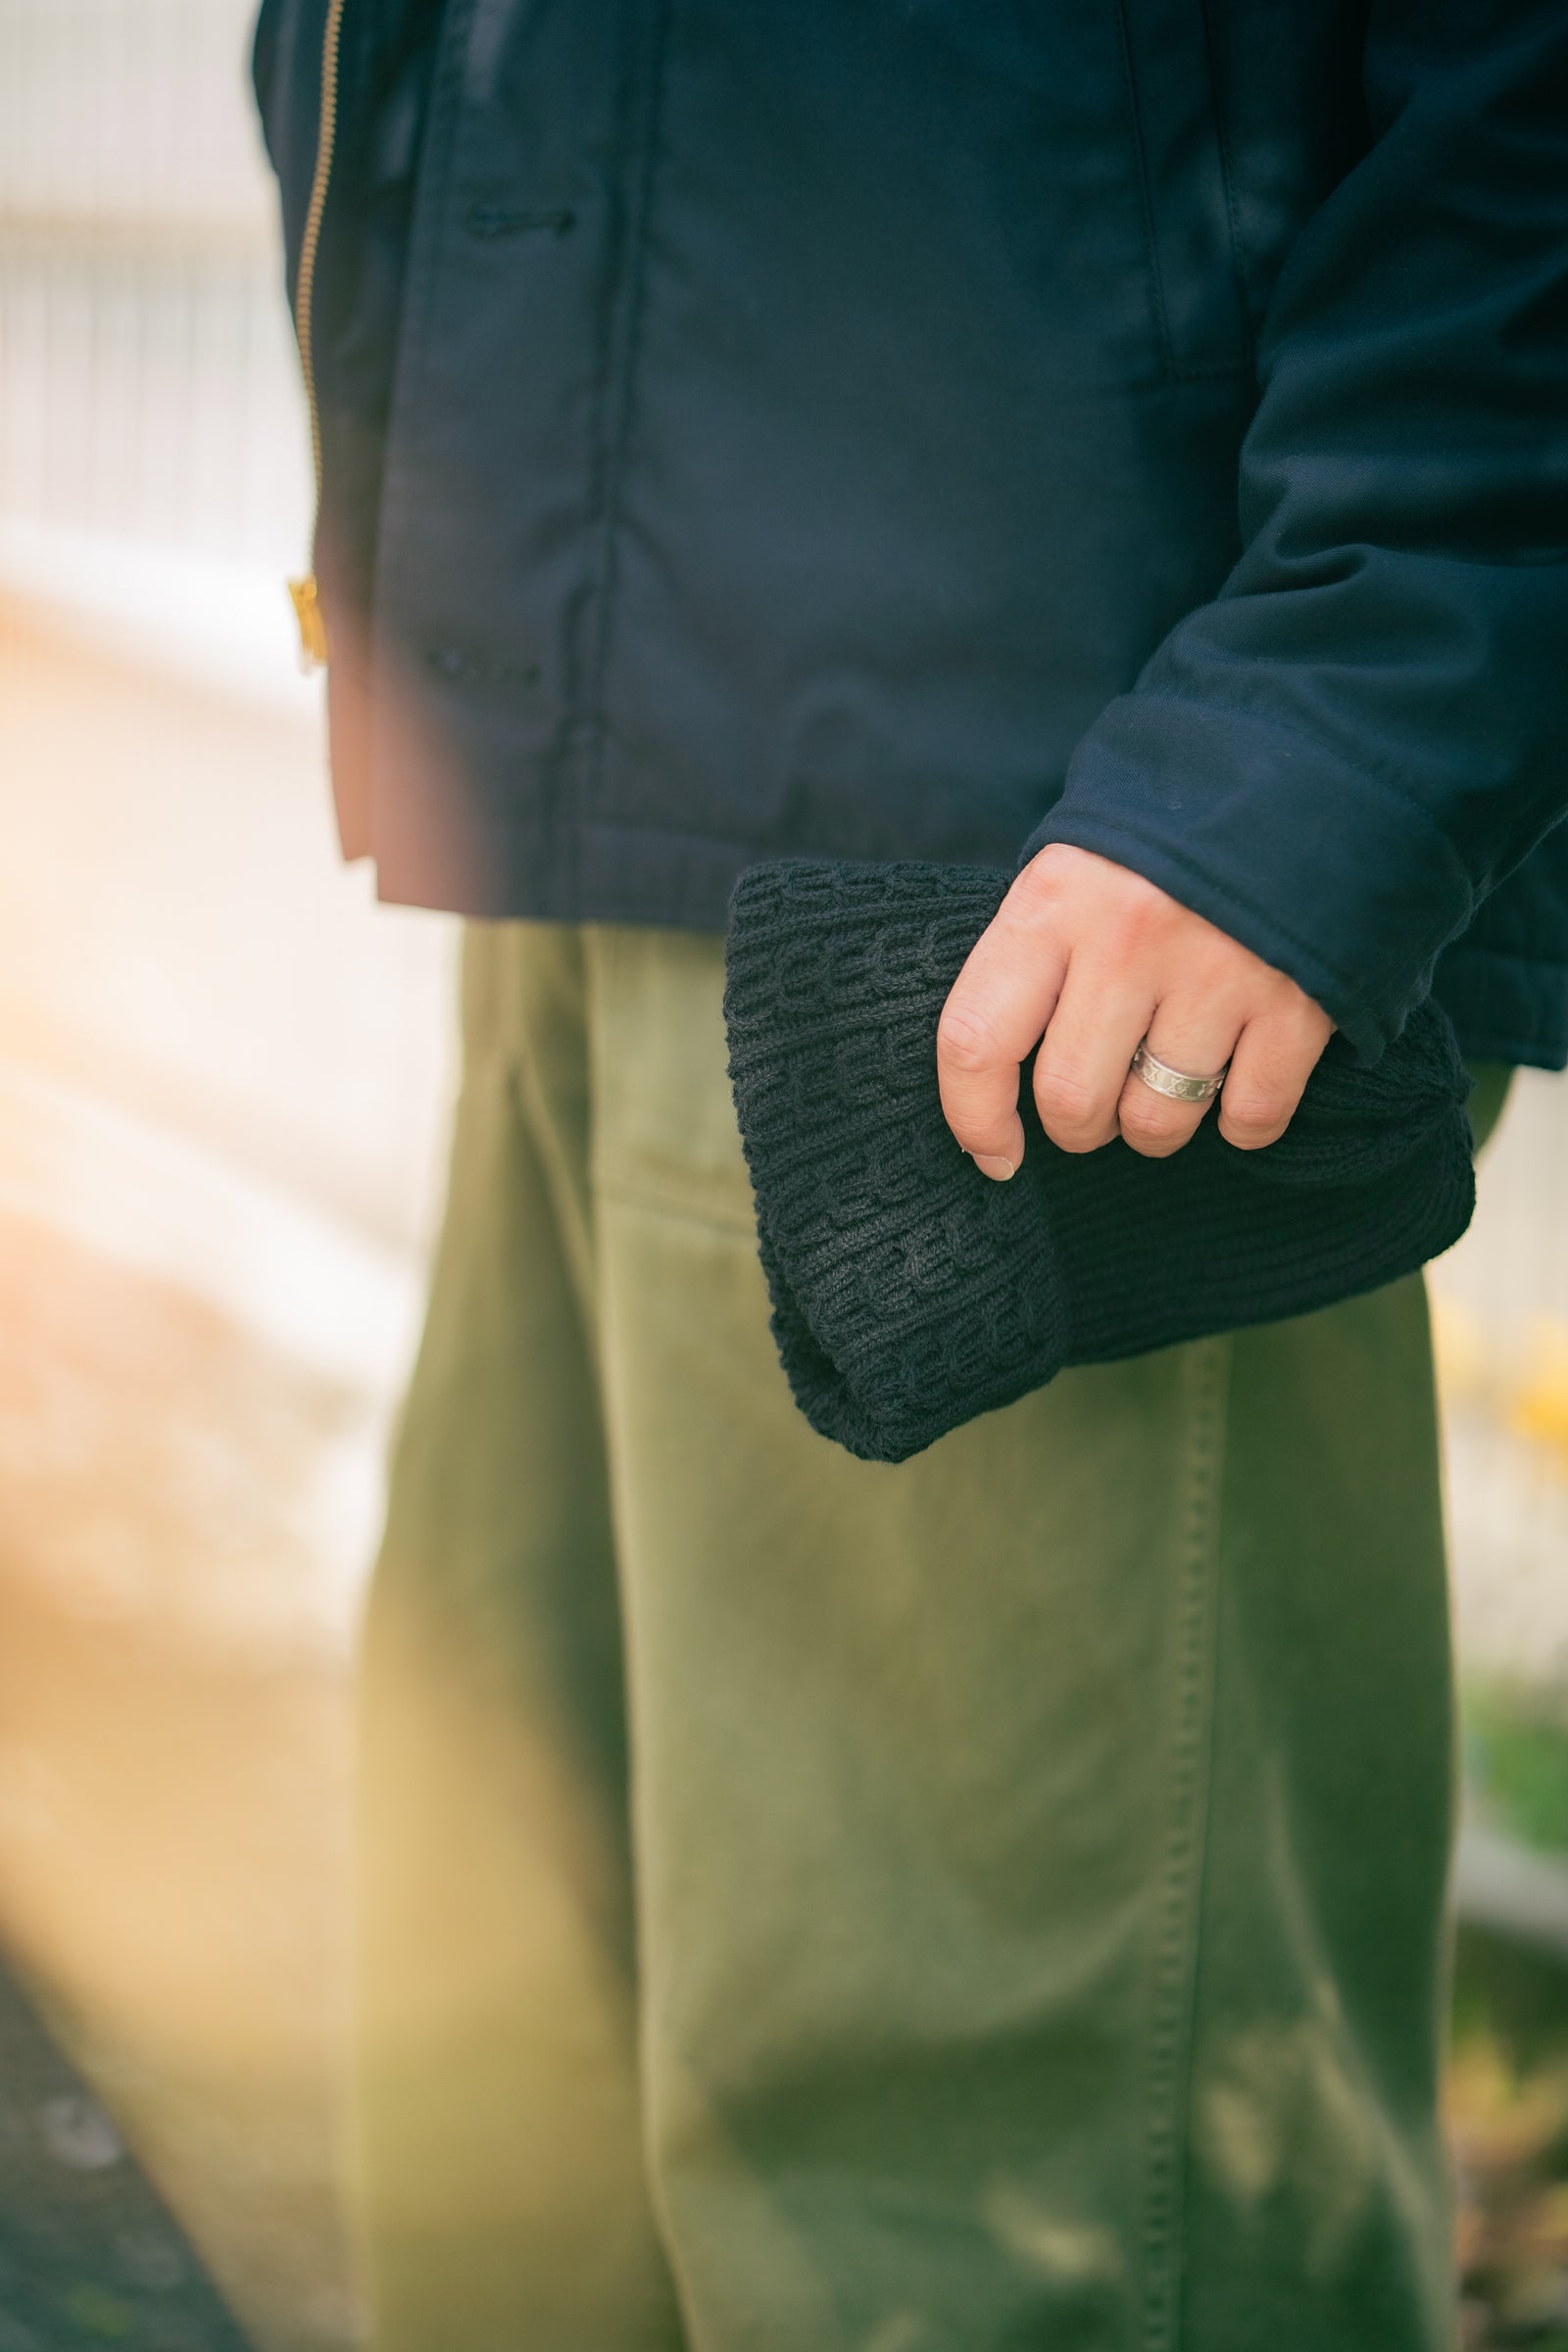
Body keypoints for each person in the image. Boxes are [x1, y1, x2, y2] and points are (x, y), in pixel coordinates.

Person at [252, 5, 1568, 2345]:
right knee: (512, 2119)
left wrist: (1315, 735)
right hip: (599, 763)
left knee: (1000, 2225)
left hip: (1050, 903)